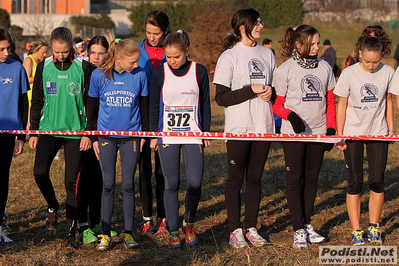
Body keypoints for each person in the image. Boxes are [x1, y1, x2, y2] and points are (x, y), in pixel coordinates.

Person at [213, 8, 275, 248]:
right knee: (235, 179)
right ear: (242, 28)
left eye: (260, 22)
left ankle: (251, 228)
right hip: (239, 128)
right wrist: (253, 89)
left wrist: (271, 91)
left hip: (264, 126)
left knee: (256, 179)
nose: (260, 26)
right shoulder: (229, 56)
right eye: (256, 23)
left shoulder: (267, 54)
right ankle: (234, 230)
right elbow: (221, 97)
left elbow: (273, 88)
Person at [29, 26, 95, 249]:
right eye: (56, 51)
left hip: (76, 133)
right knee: (39, 173)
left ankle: (70, 233)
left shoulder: (84, 67)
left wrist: (88, 133)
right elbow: (37, 100)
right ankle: (52, 206)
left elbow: (90, 102)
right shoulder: (43, 66)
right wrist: (34, 131)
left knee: (71, 182)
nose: (60, 55)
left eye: (64, 51)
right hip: (48, 130)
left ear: (71, 48)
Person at [273, 25, 336, 248]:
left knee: (311, 179)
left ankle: (307, 224)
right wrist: (290, 115)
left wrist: (331, 129)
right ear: (299, 45)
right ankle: (298, 228)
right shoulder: (285, 70)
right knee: (294, 180)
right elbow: (276, 105)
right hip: (293, 135)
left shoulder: (325, 67)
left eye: (319, 43)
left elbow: (330, 101)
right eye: (313, 43)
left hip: (318, 133)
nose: (318, 47)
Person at [149, 29, 211, 248]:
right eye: (169, 56)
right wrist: (154, 135)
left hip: (193, 134)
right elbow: (154, 105)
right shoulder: (159, 72)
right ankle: (174, 230)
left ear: (187, 51)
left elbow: (205, 103)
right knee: (171, 183)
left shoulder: (199, 71)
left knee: (195, 183)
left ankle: (189, 222)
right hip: (167, 135)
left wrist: (206, 132)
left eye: (176, 56)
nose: (172, 61)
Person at [335, 25, 394, 246]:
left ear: (381, 56)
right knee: (354, 183)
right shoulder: (349, 73)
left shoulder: (387, 72)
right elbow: (341, 104)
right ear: (360, 54)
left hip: (378, 133)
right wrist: (340, 135)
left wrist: (390, 128)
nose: (371, 66)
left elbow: (388, 101)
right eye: (367, 61)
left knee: (377, 181)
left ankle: (374, 226)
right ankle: (357, 230)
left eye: (375, 62)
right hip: (353, 133)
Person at [87, 38, 148, 250]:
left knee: (129, 184)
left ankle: (129, 233)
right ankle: (105, 234)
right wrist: (94, 137)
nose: (136, 65)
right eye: (132, 62)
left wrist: (144, 136)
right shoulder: (99, 75)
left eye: (137, 61)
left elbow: (144, 106)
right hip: (106, 137)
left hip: (131, 136)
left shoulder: (140, 74)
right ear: (119, 58)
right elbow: (92, 109)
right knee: (108, 184)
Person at [76, 35, 112, 244]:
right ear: (87, 53)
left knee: (99, 178)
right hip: (83, 134)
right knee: (83, 179)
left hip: (102, 134)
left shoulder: (108, 73)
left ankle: (96, 223)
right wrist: (88, 133)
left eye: (101, 53)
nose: (97, 57)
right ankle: (82, 226)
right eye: (93, 53)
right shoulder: (82, 71)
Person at [137, 9, 170, 235]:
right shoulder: (136, 52)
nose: (152, 37)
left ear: (165, 32)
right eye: (148, 32)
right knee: (144, 169)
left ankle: (164, 217)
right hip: (139, 118)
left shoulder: (173, 52)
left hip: (164, 118)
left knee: (162, 171)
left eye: (156, 33)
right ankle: (147, 217)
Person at [0, 27, 29, 245]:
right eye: (1, 49)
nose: (5, 52)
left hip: (8, 133)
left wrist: (21, 136)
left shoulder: (17, 68)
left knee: (2, 180)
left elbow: (23, 103)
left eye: (7, 48)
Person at [23, 39, 48, 129]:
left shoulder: (39, 62)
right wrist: (40, 78)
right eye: (42, 52)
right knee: (30, 121)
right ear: (36, 50)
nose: (44, 55)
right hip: (30, 95)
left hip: (37, 94)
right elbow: (25, 78)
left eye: (46, 52)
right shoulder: (29, 60)